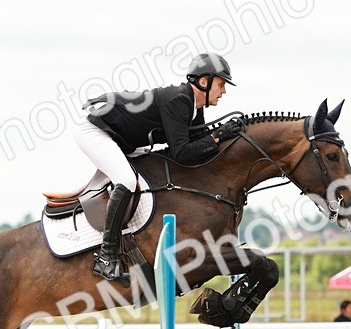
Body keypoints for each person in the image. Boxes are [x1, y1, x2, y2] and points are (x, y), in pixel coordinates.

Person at [74, 53, 242, 286]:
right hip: (96, 131)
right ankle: (106, 257)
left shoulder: (194, 108)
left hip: (123, 139)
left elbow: (199, 146)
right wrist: (216, 137)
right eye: (221, 84)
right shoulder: (179, 100)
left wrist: (222, 135)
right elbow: (183, 152)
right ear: (204, 82)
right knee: (127, 181)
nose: (223, 91)